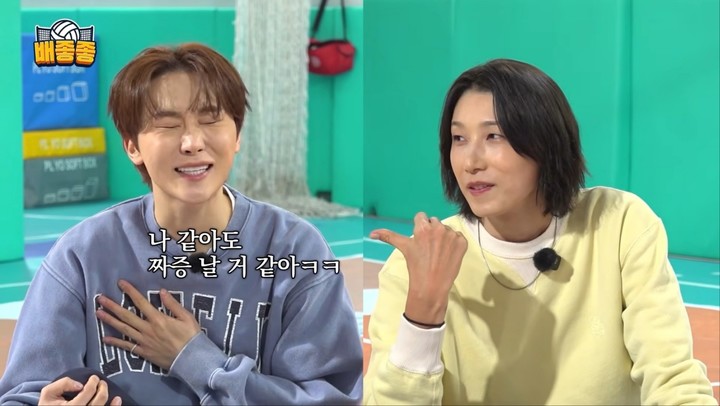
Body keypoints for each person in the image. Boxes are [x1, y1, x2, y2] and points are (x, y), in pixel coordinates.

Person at [0, 43, 362, 405]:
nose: (192, 142)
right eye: (168, 124)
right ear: (132, 146)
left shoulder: (295, 251)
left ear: (237, 135)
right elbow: (22, 394)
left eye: (210, 119)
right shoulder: (81, 255)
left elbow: (331, 399)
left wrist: (197, 360)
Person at [363, 59, 717, 405]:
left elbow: (673, 378)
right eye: (459, 138)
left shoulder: (619, 224)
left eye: (493, 136)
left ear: (546, 143)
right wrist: (423, 314)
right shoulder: (418, 263)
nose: (471, 162)